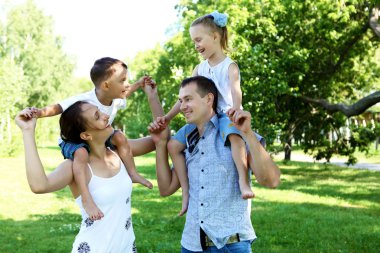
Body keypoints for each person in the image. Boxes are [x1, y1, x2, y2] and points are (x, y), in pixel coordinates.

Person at [149, 76, 280, 252]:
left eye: (188, 99)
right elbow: (165, 189)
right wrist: (160, 144)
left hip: (232, 244)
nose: (182, 107)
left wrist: (248, 134)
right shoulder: (186, 139)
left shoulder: (234, 131)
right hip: (192, 244)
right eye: (181, 101)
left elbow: (271, 180)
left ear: (209, 99)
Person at [156, 11, 263, 216]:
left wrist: (237, 109)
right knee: (173, 144)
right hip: (203, 118)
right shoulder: (199, 68)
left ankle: (243, 180)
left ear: (215, 37)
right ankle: (185, 192)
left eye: (198, 39)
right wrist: (168, 117)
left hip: (224, 114)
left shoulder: (229, 66)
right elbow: (186, 96)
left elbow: (235, 89)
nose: (196, 45)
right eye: (193, 41)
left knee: (235, 137)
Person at [21, 57, 155, 221]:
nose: (127, 85)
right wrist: (38, 113)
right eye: (123, 80)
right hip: (73, 142)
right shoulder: (85, 101)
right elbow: (58, 107)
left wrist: (140, 85)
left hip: (97, 139)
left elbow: (126, 92)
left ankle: (133, 173)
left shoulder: (115, 100)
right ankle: (86, 197)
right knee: (82, 155)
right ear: (106, 85)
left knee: (120, 137)